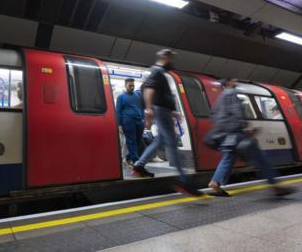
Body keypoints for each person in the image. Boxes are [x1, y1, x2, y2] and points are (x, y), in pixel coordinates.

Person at [206, 78, 295, 197]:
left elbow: (214, 116)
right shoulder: (232, 95)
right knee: (260, 158)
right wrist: (245, 128)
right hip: (237, 135)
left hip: (224, 136)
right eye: (233, 80)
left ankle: (215, 182)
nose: (235, 81)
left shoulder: (220, 99)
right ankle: (276, 187)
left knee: (228, 158)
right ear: (228, 83)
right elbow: (237, 113)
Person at [132, 49, 202, 196]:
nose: (172, 61)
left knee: (159, 141)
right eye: (171, 58)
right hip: (160, 111)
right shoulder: (157, 71)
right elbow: (148, 90)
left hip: (163, 111)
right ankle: (184, 181)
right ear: (165, 57)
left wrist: (172, 111)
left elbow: (156, 92)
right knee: (172, 144)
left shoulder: (159, 73)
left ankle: (139, 165)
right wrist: (149, 109)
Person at [116, 78, 145, 165]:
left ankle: (128, 157)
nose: (132, 87)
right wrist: (119, 124)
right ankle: (136, 161)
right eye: (130, 86)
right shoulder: (121, 97)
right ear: (125, 85)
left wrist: (143, 117)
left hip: (139, 120)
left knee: (138, 140)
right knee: (131, 140)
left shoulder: (138, 94)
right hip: (128, 121)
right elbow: (118, 111)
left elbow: (142, 106)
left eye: (133, 85)